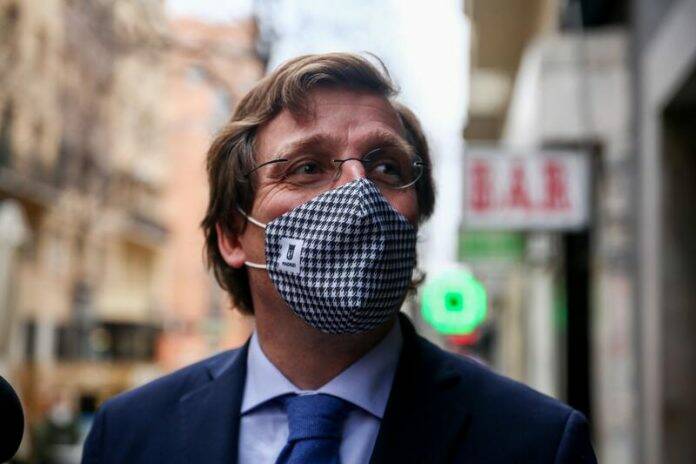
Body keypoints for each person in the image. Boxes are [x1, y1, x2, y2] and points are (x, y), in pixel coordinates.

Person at [82, 53, 597, 464]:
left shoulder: (537, 443)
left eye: (388, 167)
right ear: (233, 236)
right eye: (307, 167)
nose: (359, 191)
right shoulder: (128, 435)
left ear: (415, 219)